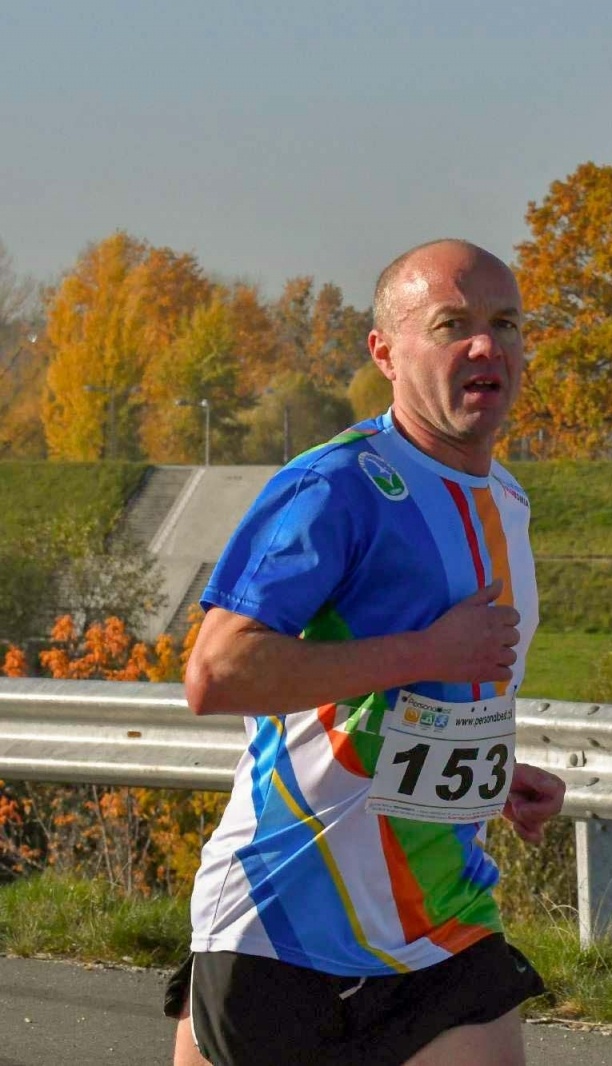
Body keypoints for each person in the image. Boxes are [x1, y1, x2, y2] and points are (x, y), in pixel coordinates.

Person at [164, 239, 565, 1066]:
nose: (486, 346)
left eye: (505, 324)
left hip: (442, 922)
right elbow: (216, 673)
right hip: (285, 928)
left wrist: (490, 768)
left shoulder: (509, 502)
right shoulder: (336, 486)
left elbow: (427, 698)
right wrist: (428, 651)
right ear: (385, 352)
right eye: (452, 324)